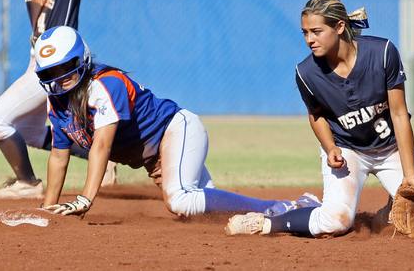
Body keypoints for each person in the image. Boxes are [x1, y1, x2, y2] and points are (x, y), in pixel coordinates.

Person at [34, 25, 320, 217]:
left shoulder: (106, 84)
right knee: (201, 212)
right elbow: (60, 156)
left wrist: (85, 199)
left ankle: (280, 206)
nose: (59, 78)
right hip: (154, 156)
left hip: (175, 131)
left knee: (180, 200)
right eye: (50, 73)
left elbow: (101, 147)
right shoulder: (58, 102)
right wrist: (48, 209)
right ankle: (296, 210)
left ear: (82, 59)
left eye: (65, 67)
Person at [225, 0, 414, 237]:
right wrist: (329, 147)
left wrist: (409, 175)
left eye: (316, 31)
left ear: (339, 27)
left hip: (391, 148)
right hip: (348, 149)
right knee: (335, 222)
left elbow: (400, 114)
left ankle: (387, 214)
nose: (309, 39)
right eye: (305, 32)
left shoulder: (382, 53)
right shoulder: (307, 72)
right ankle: (268, 221)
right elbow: (316, 115)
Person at [0, 0, 116, 199]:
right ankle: (101, 155)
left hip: (57, 63)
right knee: (32, 133)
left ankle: (28, 183)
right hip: (38, 59)